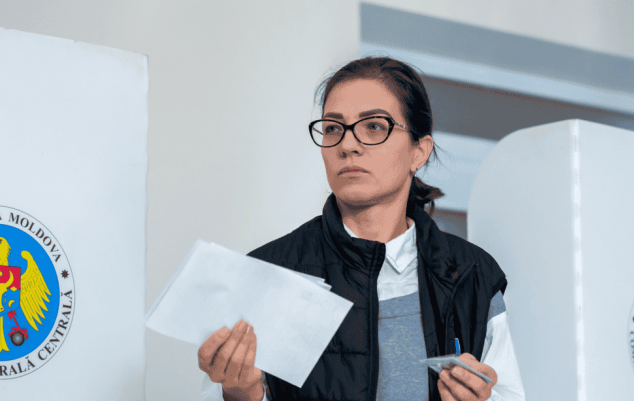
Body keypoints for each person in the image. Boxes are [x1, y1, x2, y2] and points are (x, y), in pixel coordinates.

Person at [198, 56, 525, 401]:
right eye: (333, 128)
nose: (348, 145)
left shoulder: (472, 276)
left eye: (373, 126)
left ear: (419, 151)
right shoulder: (267, 273)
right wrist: (240, 393)